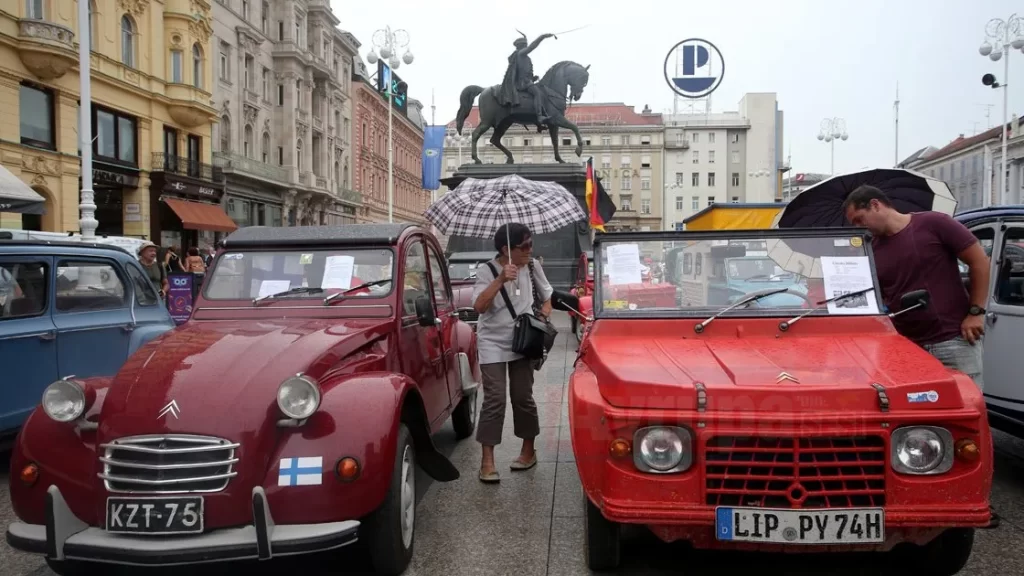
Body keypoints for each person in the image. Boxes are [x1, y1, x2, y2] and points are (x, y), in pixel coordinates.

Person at [843, 185, 990, 389]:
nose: (859, 227)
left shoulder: (934, 223)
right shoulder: (871, 249)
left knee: (965, 407)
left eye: (859, 219)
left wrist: (976, 312)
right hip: (907, 346)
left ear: (875, 205)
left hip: (953, 339)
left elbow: (980, 261)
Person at [472, 223, 553, 483]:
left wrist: (540, 316)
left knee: (522, 397)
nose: (530, 250)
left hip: (523, 342)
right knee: (494, 399)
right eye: (525, 246)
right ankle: (487, 460)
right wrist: (500, 279)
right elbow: (479, 307)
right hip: (492, 342)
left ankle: (528, 451)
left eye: (531, 244)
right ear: (506, 249)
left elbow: (548, 296)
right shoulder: (486, 271)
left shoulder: (532, 267)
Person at [499, 32, 555, 128]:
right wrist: (543, 36)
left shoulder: (523, 56)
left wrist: (533, 78)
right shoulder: (520, 54)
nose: (527, 47)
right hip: (523, 83)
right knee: (537, 93)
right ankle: (539, 117)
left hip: (527, 80)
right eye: (525, 45)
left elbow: (524, 71)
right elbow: (533, 46)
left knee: (540, 92)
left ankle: (539, 121)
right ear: (522, 46)